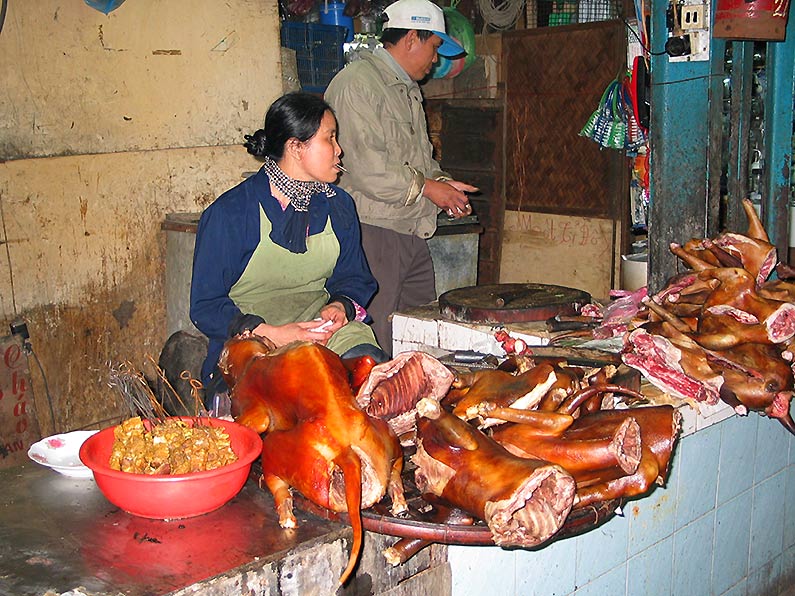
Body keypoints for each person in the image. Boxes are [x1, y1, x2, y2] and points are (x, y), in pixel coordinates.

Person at [190, 92, 386, 410]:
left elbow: (354, 277)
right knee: (292, 400)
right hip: (255, 339)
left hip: (320, 333)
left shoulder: (339, 206)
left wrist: (340, 306)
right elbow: (205, 305)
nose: (339, 150)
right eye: (330, 138)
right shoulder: (232, 213)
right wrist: (272, 333)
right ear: (296, 147)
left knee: (371, 373)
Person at [325, 0, 479, 355]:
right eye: (434, 48)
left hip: (411, 230)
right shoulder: (357, 85)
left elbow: (421, 161)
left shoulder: (407, 90)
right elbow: (367, 170)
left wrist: (443, 184)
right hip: (374, 232)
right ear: (412, 38)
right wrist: (429, 188)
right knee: (374, 341)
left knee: (419, 337)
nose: (436, 60)